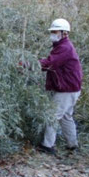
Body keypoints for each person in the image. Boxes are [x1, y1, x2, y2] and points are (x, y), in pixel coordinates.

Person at [37, 18, 83, 154]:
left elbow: (49, 63)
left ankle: (47, 146)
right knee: (66, 116)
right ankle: (72, 144)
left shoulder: (64, 48)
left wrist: (29, 63)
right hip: (71, 88)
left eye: (55, 31)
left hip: (67, 90)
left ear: (64, 33)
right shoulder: (61, 46)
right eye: (52, 31)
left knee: (53, 116)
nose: (53, 33)